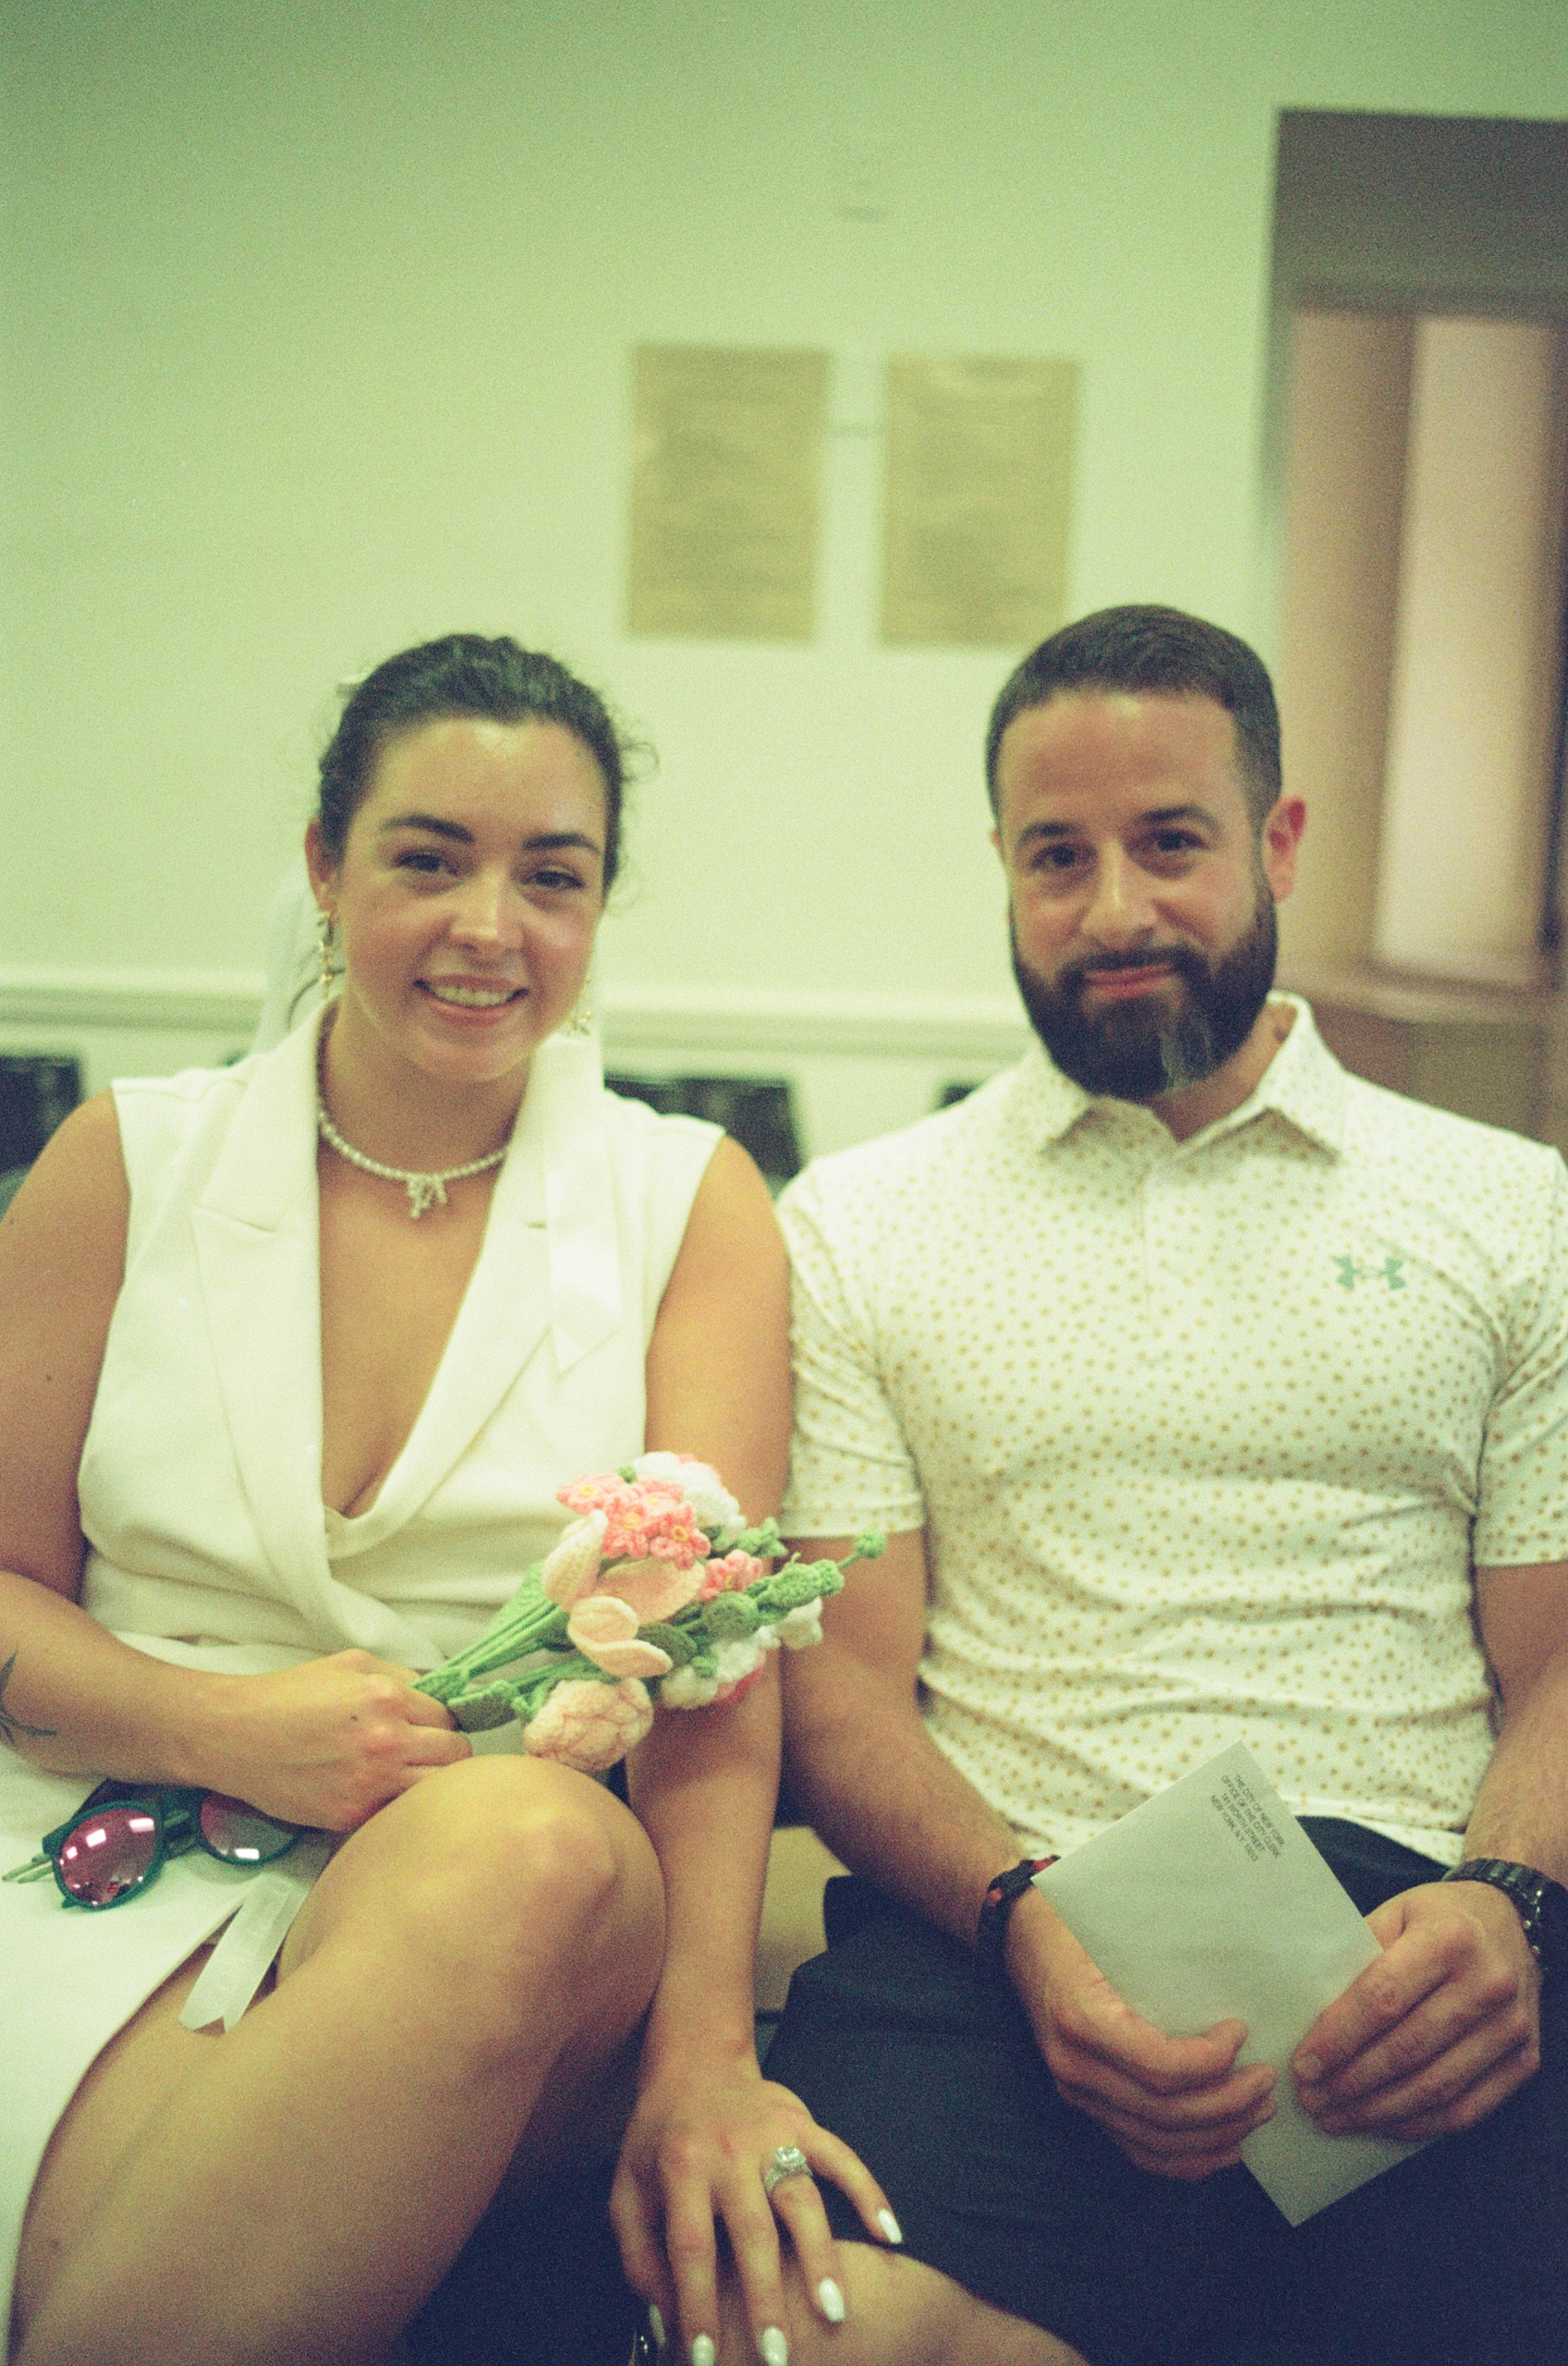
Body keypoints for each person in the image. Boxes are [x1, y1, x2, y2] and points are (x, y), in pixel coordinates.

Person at [0, 634, 893, 2366]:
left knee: (523, 1843)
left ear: (597, 907)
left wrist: (708, 2058)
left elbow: (714, 1670)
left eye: (551, 878)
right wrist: (221, 1729)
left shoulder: (686, 1201)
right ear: (326, 870)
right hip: (98, 1841)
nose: (491, 927)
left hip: (521, 1915)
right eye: (428, 859)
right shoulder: (127, 1162)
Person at [735, 606, 1568, 2366]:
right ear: (1002, 867)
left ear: (1278, 841)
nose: (1113, 909)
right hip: (997, 1939)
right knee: (792, 2329)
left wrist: (1509, 1902)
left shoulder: (1509, 1211)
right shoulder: (857, 1226)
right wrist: (1018, 1916)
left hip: (1421, 1940)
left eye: (1169, 842)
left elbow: (1557, 1657)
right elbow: (843, 1692)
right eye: (1058, 856)